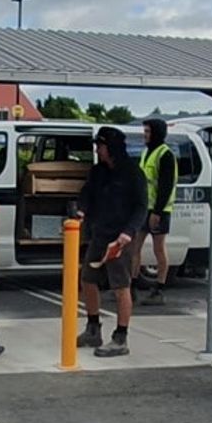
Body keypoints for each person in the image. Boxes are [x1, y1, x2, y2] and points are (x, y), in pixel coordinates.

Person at [75, 125, 148, 356]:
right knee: (87, 279)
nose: (97, 149)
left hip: (121, 238)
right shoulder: (98, 172)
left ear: (111, 147)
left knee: (120, 286)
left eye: (100, 145)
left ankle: (120, 338)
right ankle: (93, 328)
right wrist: (81, 210)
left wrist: (128, 232)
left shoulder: (133, 173)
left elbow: (141, 207)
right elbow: (87, 193)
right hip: (99, 233)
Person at [136, 116, 178, 302]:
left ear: (156, 133)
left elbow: (165, 187)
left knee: (158, 249)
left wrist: (158, 212)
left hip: (158, 210)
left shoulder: (165, 155)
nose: (145, 135)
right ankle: (131, 285)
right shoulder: (146, 153)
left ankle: (159, 288)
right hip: (144, 208)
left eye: (147, 131)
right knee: (133, 248)